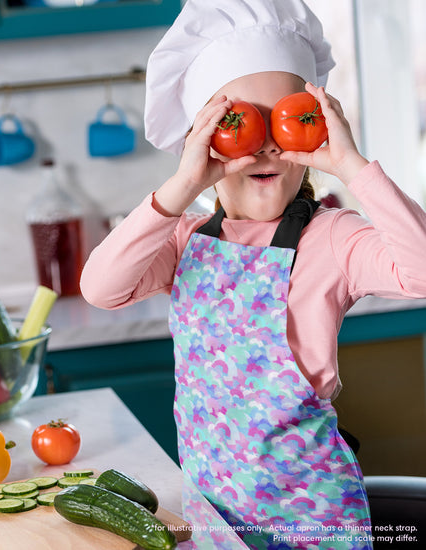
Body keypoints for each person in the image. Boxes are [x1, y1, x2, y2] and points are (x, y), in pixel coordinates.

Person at [80, 0, 426, 547]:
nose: (265, 142)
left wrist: (353, 166)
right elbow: (99, 288)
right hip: (215, 516)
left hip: (316, 524)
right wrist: (182, 186)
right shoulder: (183, 237)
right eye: (240, 122)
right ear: (203, 138)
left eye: (287, 121)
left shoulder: (331, 237)